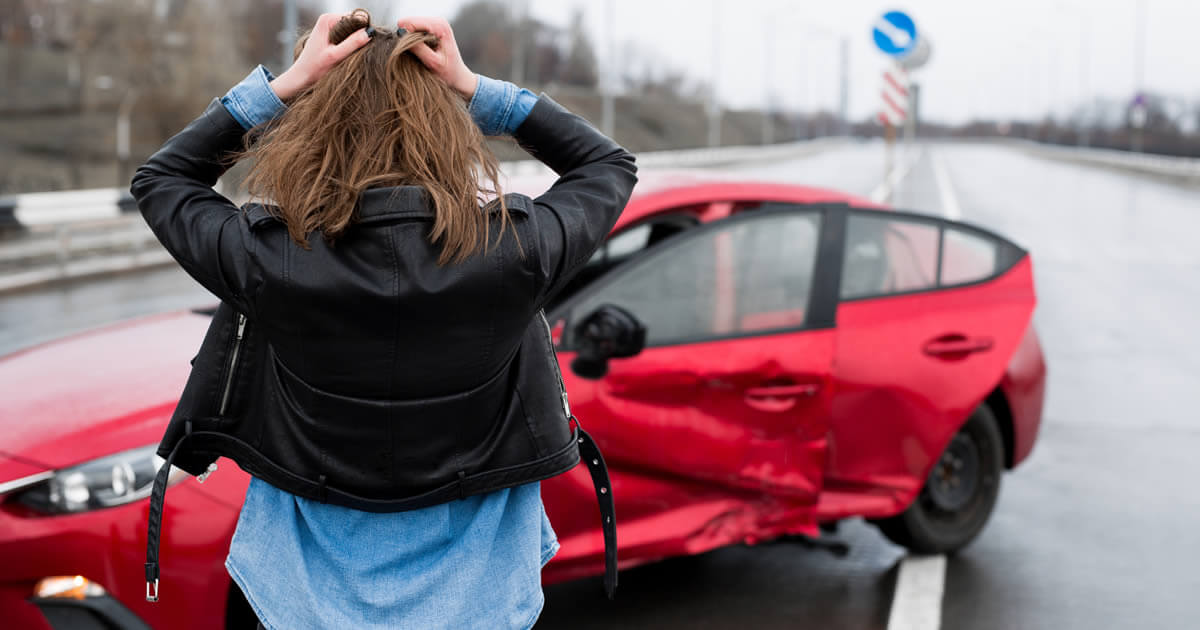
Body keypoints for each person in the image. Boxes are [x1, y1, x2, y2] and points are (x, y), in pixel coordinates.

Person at [130, 10, 636, 630]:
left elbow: (162, 178)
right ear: (449, 131)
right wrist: (477, 89)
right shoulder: (515, 250)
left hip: (302, 602)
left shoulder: (268, 256)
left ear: (313, 130)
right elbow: (607, 166)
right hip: (481, 598)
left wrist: (285, 85)